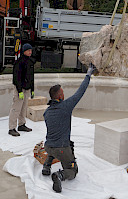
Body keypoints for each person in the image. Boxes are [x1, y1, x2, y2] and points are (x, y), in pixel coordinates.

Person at [42, 63, 96, 193]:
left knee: (53, 146)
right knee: (73, 170)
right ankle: (60, 175)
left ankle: (46, 167)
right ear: (60, 96)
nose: (64, 95)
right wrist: (88, 74)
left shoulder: (47, 112)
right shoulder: (66, 106)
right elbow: (80, 91)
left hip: (48, 146)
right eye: (63, 93)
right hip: (61, 149)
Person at [8, 43, 35, 136]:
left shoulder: (30, 62)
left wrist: (32, 89)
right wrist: (19, 90)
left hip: (27, 88)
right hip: (20, 89)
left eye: (31, 50)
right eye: (28, 50)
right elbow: (16, 77)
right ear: (24, 51)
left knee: (24, 108)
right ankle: (11, 128)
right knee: (16, 108)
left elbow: (31, 76)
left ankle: (22, 124)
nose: (30, 52)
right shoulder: (19, 62)